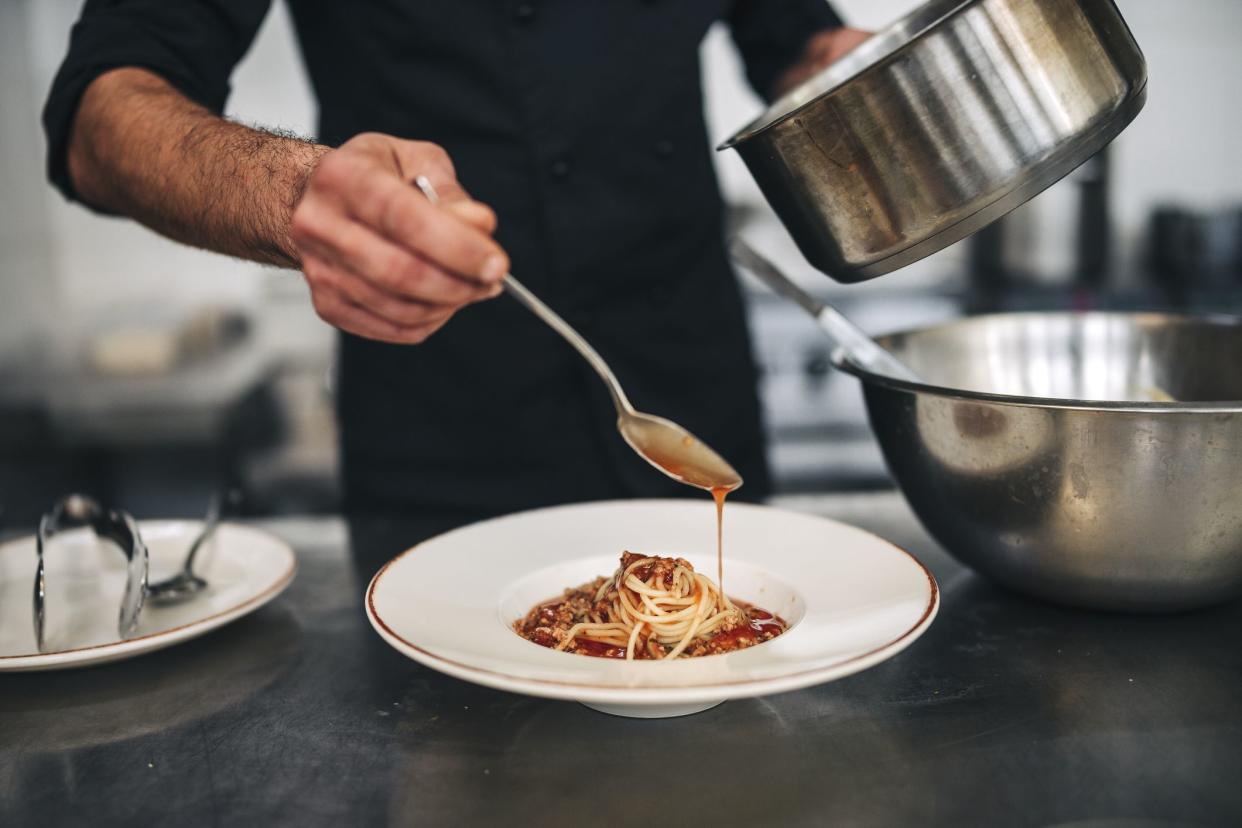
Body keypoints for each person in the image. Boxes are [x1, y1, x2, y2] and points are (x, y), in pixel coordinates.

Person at [43, 1, 868, 540]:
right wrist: (297, 196)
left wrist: (883, 73)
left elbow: (792, 41)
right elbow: (99, 114)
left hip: (693, 406)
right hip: (444, 444)